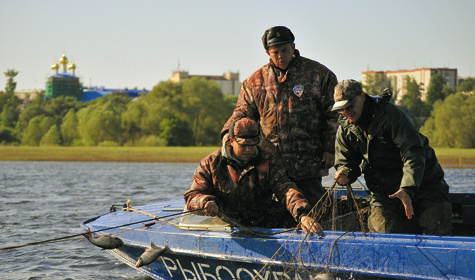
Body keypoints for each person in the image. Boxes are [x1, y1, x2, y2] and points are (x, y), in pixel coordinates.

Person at [221, 26, 339, 207]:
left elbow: (333, 115)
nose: (280, 56)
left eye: (284, 50)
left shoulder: (319, 75)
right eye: (275, 52)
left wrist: (330, 148)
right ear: (268, 52)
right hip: (269, 163)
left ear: (293, 47)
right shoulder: (254, 81)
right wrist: (227, 135)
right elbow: (242, 114)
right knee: (267, 213)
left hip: (307, 162)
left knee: (313, 211)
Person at [332, 79, 452, 235]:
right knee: (380, 231)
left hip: (424, 184)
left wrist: (407, 189)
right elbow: (346, 160)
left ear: (362, 96)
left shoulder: (392, 115)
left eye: (349, 106)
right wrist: (345, 172)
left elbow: (413, 153)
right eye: (341, 109)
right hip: (384, 191)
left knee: (436, 226)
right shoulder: (345, 128)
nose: (346, 113)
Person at [185, 117, 322, 234]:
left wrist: (302, 215)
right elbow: (192, 195)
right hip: (227, 225)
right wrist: (205, 202)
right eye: (244, 145)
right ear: (231, 141)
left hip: (265, 222)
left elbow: (286, 189)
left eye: (253, 145)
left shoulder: (268, 160)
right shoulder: (211, 163)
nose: (249, 150)